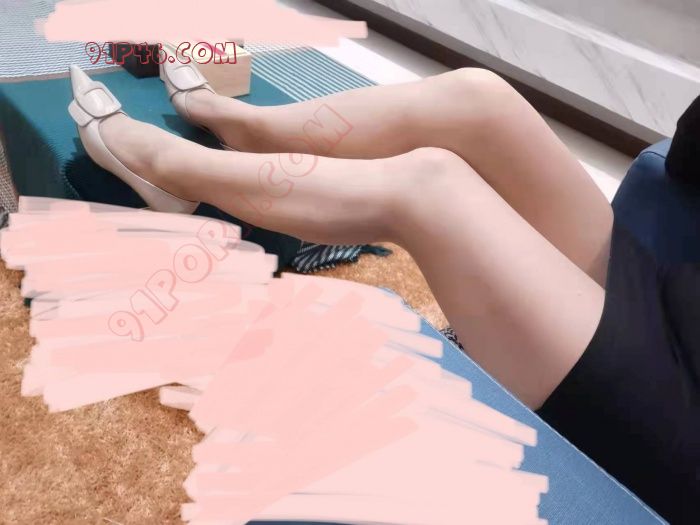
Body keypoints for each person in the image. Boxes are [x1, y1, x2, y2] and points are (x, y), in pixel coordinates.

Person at [67, 61, 699, 523]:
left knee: (429, 188)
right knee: (477, 100)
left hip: (681, 418)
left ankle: (169, 170)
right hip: (674, 284)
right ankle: (246, 126)